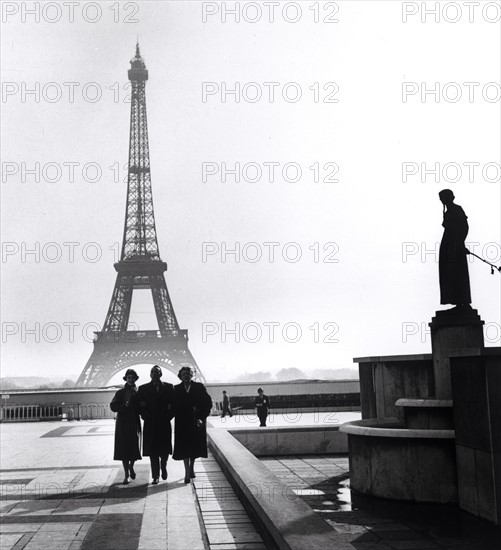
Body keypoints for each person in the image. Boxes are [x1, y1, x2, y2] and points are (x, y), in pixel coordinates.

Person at [173, 366, 213, 483]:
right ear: (180, 376)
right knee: (184, 447)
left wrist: (201, 414)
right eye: (184, 374)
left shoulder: (199, 387)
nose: (186, 375)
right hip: (182, 422)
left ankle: (191, 467)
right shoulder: (176, 389)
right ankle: (187, 471)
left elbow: (207, 402)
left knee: (194, 446)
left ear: (192, 375)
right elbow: (173, 405)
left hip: (196, 420)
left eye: (188, 373)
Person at [137, 365, 175, 485]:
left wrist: (168, 416)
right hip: (151, 423)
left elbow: (174, 404)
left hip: (164, 422)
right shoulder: (143, 389)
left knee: (164, 449)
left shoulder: (169, 387)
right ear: (150, 374)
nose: (155, 374)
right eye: (152, 372)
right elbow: (138, 405)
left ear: (161, 374)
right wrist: (145, 416)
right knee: (153, 451)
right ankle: (155, 475)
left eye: (157, 372)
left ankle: (163, 465)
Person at [438, 189, 472, 310]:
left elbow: (465, 227)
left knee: (457, 273)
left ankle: (463, 302)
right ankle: (457, 302)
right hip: (448, 245)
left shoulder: (457, 209)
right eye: (440, 198)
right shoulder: (448, 212)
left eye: (442, 197)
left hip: (454, 245)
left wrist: (459, 242)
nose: (441, 200)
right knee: (449, 273)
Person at [110, 368, 142, 484]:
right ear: (126, 379)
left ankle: (130, 467)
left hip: (133, 422)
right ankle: (126, 474)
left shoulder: (138, 392)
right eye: (129, 378)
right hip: (123, 423)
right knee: (124, 449)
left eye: (133, 378)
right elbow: (113, 406)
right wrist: (124, 406)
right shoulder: (120, 393)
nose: (131, 379)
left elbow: (141, 407)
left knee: (133, 447)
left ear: (135, 379)